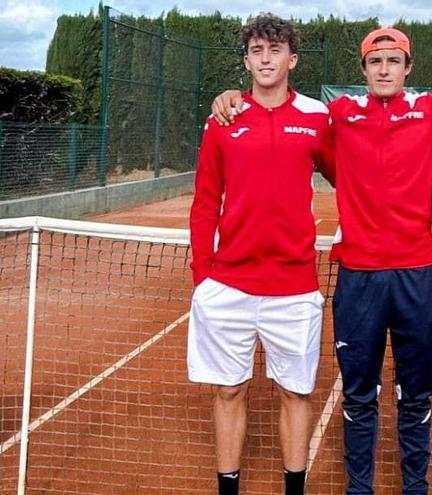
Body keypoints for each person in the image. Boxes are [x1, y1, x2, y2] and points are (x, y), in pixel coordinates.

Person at [210, 27, 432, 495]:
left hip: (417, 277)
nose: (384, 70)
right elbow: (277, 104)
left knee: (415, 398)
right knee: (360, 397)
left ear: (407, 68)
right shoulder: (336, 115)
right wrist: (232, 95)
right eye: (375, 62)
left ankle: (412, 487)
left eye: (393, 61)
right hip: (358, 276)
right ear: (363, 70)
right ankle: (361, 488)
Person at [187, 13, 328, 495]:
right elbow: (205, 201)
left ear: (292, 58)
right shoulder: (223, 118)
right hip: (228, 286)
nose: (265, 59)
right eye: (256, 51)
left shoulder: (316, 118)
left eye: (274, 50)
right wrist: (202, 275)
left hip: (294, 288)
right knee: (228, 390)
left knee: (295, 392)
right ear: (247, 59)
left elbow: (351, 179)